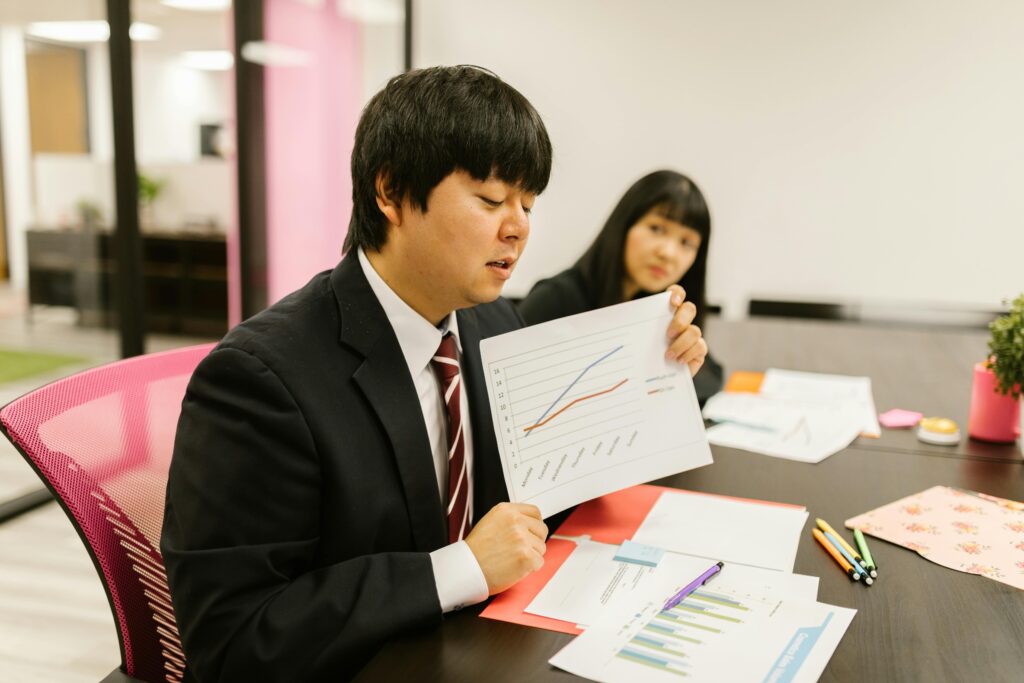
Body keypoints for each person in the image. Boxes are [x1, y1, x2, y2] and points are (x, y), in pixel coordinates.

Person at [161, 67, 708, 682]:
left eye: (527, 204)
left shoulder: (492, 326)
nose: (519, 226)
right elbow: (233, 639)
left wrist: (651, 376)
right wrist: (463, 567)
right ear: (391, 194)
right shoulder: (259, 380)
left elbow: (546, 485)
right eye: (491, 200)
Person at [518, 169, 724, 404]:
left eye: (687, 242)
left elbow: (713, 375)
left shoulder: (659, 310)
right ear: (624, 225)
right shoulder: (556, 298)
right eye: (657, 228)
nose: (668, 253)